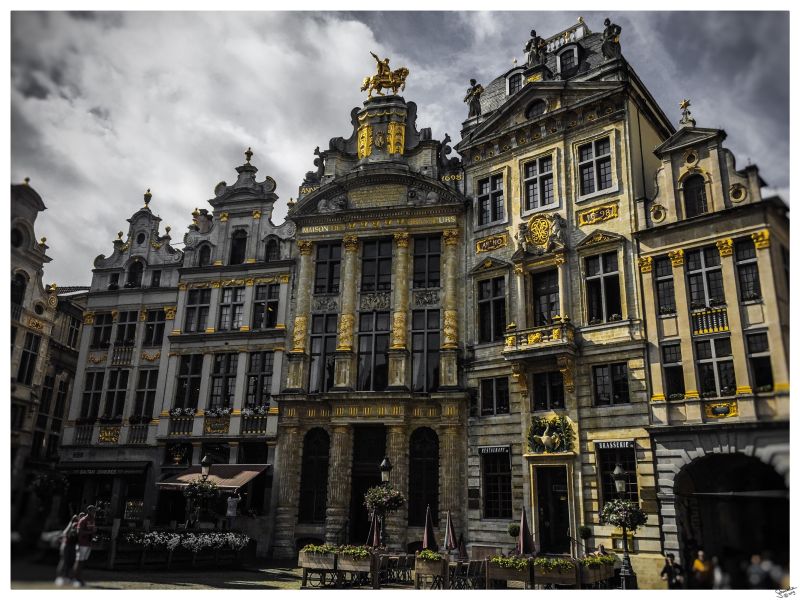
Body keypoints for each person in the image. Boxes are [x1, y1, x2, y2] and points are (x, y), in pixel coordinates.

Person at [72, 505, 97, 587]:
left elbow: (91, 530)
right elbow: (79, 532)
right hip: (81, 543)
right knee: (79, 561)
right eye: (93, 511)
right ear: (89, 511)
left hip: (88, 543)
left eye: (95, 511)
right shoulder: (83, 520)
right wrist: (90, 533)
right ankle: (75, 579)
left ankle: (80, 579)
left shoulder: (92, 520)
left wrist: (93, 534)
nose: (94, 512)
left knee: (82, 562)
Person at [55, 514, 79, 586]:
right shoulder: (71, 526)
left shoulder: (78, 526)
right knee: (64, 561)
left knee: (70, 562)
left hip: (72, 546)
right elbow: (65, 533)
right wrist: (71, 522)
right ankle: (60, 577)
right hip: (66, 545)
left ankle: (67, 577)